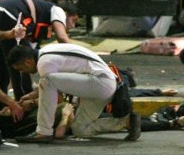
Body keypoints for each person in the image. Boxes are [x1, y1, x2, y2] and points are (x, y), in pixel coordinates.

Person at [7, 44, 141, 143]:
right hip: (100, 85)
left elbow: (53, 91)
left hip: (99, 82)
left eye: (21, 68)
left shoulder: (44, 63)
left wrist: (32, 99)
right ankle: (126, 122)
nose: (23, 72)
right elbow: (56, 84)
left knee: (46, 81)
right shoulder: (47, 51)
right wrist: (32, 95)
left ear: (28, 61)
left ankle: (43, 132)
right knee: (79, 129)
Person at [0, 0, 79, 111]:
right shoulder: (57, 10)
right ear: (66, 14)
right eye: (74, 21)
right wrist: (78, 55)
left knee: (1, 65)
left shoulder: (41, 13)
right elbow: (62, 37)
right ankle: (22, 103)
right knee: (21, 62)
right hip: (7, 15)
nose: (73, 26)